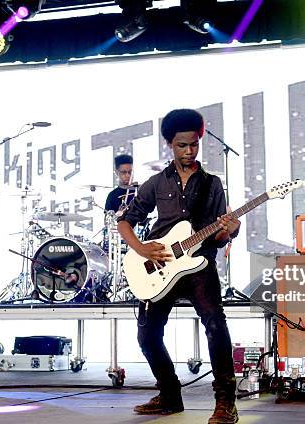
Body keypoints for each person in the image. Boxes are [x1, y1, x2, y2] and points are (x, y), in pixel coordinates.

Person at [117, 109, 241, 424]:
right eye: (181, 146)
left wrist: (231, 229)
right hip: (161, 264)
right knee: (147, 336)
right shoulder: (156, 182)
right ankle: (170, 396)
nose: (188, 151)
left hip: (199, 266)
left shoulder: (212, 184)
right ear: (170, 145)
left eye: (193, 145)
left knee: (215, 325)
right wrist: (143, 248)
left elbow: (220, 234)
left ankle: (225, 403)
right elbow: (125, 222)